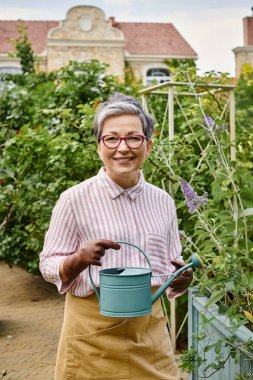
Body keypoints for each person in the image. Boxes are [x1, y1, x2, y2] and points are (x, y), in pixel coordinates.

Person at [40, 93, 193, 380]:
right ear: (99, 147)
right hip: (91, 336)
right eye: (112, 139)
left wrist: (182, 277)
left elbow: (173, 263)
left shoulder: (163, 201)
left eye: (133, 138)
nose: (122, 148)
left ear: (148, 146)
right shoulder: (74, 199)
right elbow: (47, 265)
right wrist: (78, 260)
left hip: (149, 334)